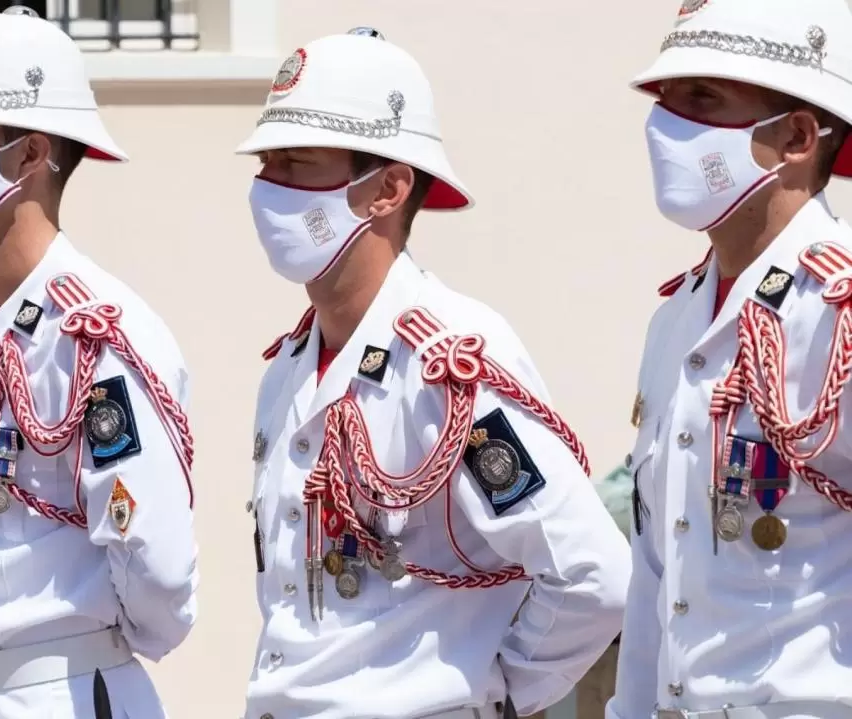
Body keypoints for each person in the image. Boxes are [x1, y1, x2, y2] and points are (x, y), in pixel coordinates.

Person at [238, 27, 631, 719]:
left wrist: (494, 694)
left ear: (387, 188)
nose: (271, 188)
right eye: (266, 163)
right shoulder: (290, 368)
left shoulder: (446, 359)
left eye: (298, 163)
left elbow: (590, 573)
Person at [0, 8, 198, 718]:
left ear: (31, 154)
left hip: (62, 693)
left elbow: (155, 564)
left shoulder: (95, 331)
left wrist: (86, 639)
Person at [608, 0, 852, 717]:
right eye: (666, 98)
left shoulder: (838, 310)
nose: (666, 123)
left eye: (702, 98)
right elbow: (659, 569)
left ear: (798, 137)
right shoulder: (676, 318)